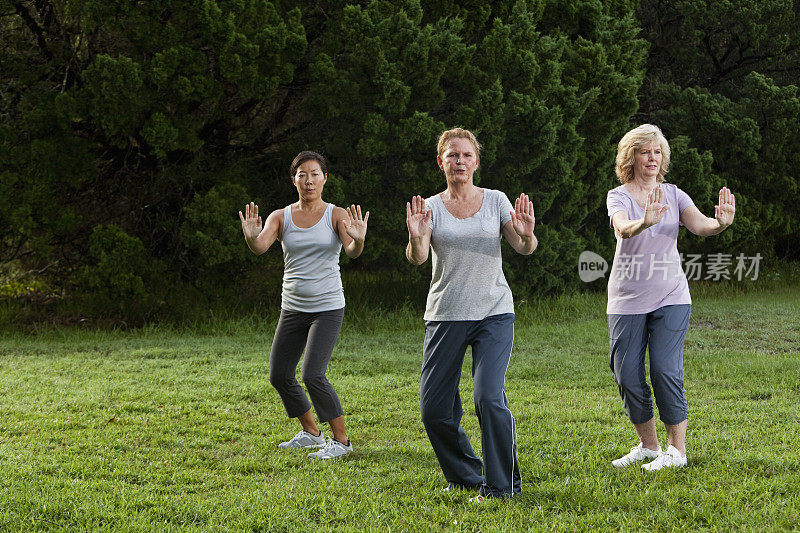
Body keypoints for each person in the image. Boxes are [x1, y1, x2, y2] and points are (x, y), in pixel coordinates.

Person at [406, 128, 537, 501]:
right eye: (452, 156)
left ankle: (502, 486)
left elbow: (524, 246)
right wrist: (417, 238)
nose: (459, 162)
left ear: (476, 161)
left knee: (488, 397)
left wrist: (527, 235)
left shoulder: (496, 201)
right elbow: (417, 258)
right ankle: (466, 474)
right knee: (435, 412)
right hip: (445, 315)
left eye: (466, 155)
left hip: (493, 313)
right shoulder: (428, 207)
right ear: (441, 162)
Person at [606, 124, 735, 471]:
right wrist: (644, 221)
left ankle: (676, 451)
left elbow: (700, 224)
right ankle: (649, 447)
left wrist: (720, 223)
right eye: (645, 151)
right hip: (626, 297)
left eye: (657, 151)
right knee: (627, 375)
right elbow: (622, 226)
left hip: (671, 294)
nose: (652, 157)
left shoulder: (675, 194)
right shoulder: (617, 196)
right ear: (630, 156)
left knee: (664, 368)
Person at [239, 150, 369, 460]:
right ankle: (311, 433)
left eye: (314, 174)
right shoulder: (280, 216)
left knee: (313, 374)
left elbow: (351, 251)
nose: (308, 180)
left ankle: (341, 442)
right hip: (293, 307)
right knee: (280, 374)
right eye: (302, 174)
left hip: (327, 307)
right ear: (293, 180)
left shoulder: (336, 214)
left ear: (325, 179)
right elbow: (260, 247)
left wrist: (359, 239)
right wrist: (250, 237)